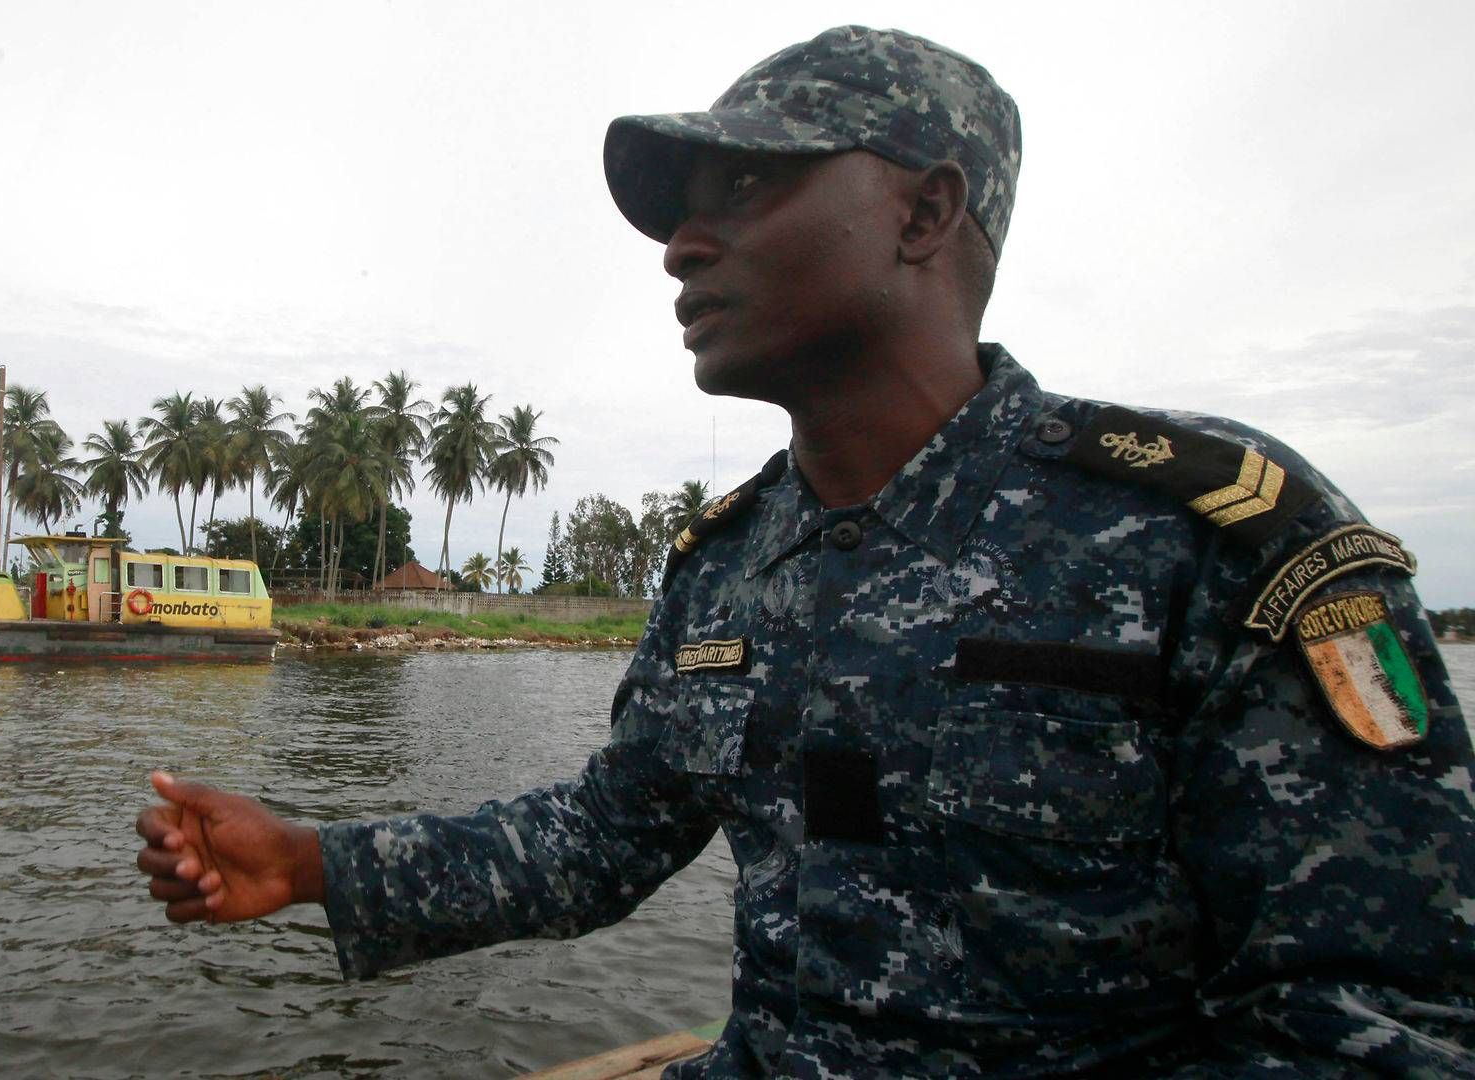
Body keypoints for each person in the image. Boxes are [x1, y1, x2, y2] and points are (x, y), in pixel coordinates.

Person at [137, 25, 1474, 1076]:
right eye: (688, 203)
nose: (682, 243)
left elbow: (1385, 1022)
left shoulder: (1210, 536)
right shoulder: (731, 562)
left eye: (750, 183)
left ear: (924, 213)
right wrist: (312, 862)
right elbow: (609, 834)